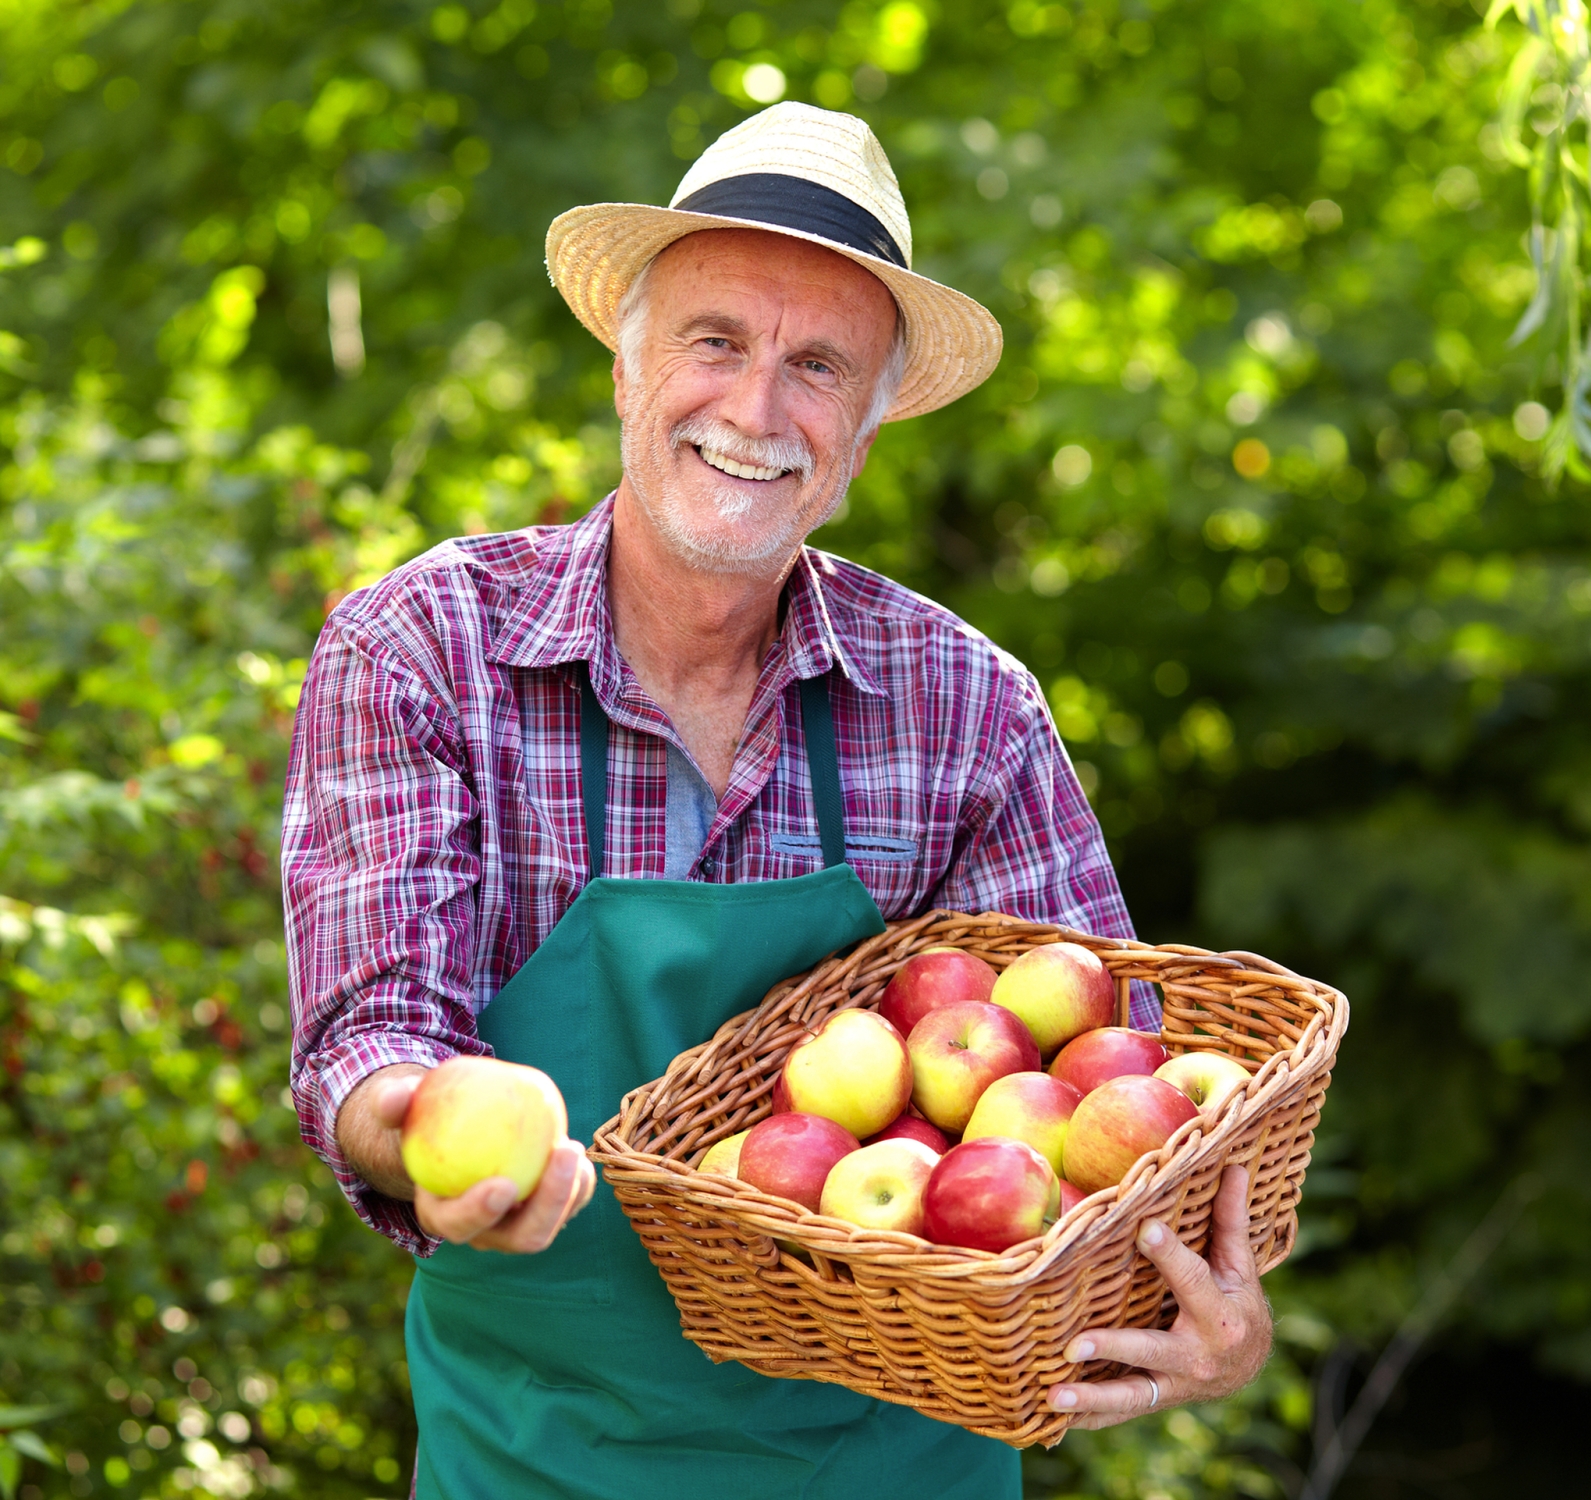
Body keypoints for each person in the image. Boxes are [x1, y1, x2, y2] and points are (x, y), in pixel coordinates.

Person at [282, 102, 1272, 1498]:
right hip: (545, 1455)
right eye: (714, 341)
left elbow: (1127, 1071)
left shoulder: (965, 704)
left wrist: (1201, 1301)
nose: (755, 409)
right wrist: (427, 1125)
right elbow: (365, 1033)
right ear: (625, 372)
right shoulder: (426, 649)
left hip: (897, 1467)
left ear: (863, 440)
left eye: (818, 366)